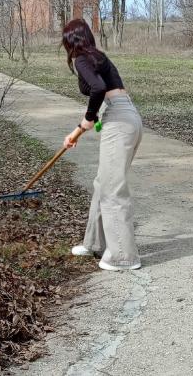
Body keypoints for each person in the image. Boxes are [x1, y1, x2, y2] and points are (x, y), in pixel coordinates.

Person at [61, 19, 144, 271]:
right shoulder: (97, 57)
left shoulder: (82, 59)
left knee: (112, 188)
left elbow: (97, 89)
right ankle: (95, 242)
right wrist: (76, 131)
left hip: (119, 121)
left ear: (71, 40)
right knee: (102, 183)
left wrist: (87, 119)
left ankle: (123, 256)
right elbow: (104, 97)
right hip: (125, 115)